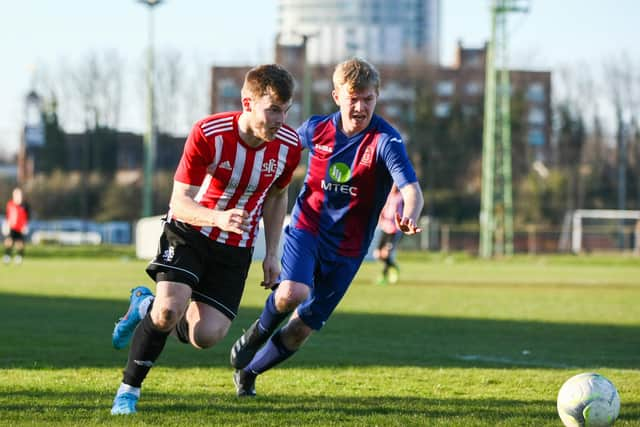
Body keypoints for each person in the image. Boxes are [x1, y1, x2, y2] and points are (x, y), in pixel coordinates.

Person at [109, 64, 302, 415]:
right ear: (247, 103)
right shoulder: (209, 133)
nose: (280, 119)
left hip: (235, 248)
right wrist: (218, 217)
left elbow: (277, 196)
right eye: (273, 109)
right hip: (190, 231)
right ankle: (128, 391)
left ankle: (143, 307)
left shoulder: (288, 146)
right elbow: (179, 202)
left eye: (286, 111)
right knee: (168, 310)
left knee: (207, 336)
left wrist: (273, 253)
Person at [229, 57, 424, 397]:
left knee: (300, 330)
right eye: (353, 98)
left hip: (348, 250)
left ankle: (250, 371)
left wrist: (412, 212)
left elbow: (411, 189)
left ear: (376, 97)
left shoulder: (384, 141)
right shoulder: (315, 129)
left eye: (368, 99)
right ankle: (256, 333)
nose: (361, 107)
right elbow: (272, 145)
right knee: (292, 292)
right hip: (308, 229)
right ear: (337, 96)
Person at [373, 184, 404, 285]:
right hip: (385, 228)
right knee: (377, 254)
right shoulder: (388, 196)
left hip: (394, 230)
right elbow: (383, 209)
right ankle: (393, 266)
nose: (394, 187)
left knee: (386, 253)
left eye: (396, 185)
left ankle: (384, 276)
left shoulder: (400, 197)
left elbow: (398, 212)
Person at [3, 187, 30, 265]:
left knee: (20, 243)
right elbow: (7, 215)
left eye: (20, 194)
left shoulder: (25, 205)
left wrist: (25, 226)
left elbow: (27, 217)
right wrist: (6, 225)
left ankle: (19, 257)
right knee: (9, 241)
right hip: (12, 226)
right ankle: (7, 256)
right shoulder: (10, 204)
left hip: (21, 228)